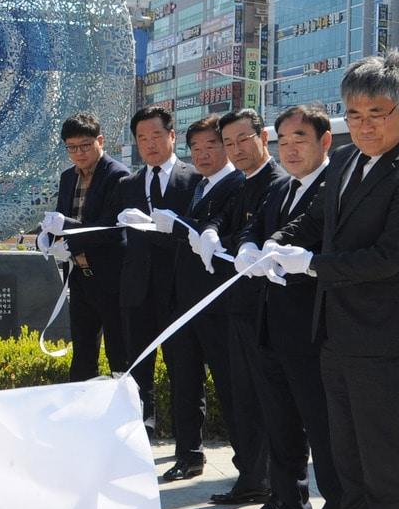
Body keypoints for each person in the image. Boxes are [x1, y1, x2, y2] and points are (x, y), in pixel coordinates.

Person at [267, 50, 399, 509]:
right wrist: (276, 243)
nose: (365, 126)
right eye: (355, 115)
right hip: (336, 331)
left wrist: (312, 265)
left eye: (377, 114)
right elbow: (316, 219)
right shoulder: (344, 161)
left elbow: (388, 257)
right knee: (346, 452)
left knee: (383, 454)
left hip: (387, 338)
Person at [235, 105, 345, 509]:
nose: (291, 149)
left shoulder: (334, 185)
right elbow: (254, 227)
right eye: (283, 141)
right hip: (271, 326)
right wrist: (246, 247)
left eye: (300, 139)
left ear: (325, 141)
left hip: (314, 331)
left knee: (323, 432)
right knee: (281, 428)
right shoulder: (281, 187)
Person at [195, 109, 286, 508]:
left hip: (266, 310)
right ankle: (251, 477)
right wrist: (211, 231)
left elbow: (260, 233)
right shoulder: (244, 183)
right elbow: (225, 218)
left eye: (242, 140)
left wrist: (233, 240)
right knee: (241, 397)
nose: (236, 149)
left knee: (269, 403)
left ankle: (276, 487)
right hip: (239, 307)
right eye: (229, 142)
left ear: (263, 137)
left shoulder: (277, 182)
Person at [110, 106, 202, 471]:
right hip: (138, 293)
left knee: (185, 375)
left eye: (156, 136)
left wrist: (155, 225)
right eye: (142, 138)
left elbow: (195, 234)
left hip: (180, 293)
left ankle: (189, 454)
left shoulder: (193, 179)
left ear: (172, 136)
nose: (149, 144)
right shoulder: (128, 185)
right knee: (138, 377)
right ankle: (140, 449)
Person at [156, 115, 244, 482]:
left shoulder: (237, 184)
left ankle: (251, 469)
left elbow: (223, 237)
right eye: (196, 148)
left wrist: (178, 225)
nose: (203, 154)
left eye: (211, 145)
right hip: (186, 303)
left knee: (230, 386)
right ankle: (188, 455)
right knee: (184, 382)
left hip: (219, 306)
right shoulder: (200, 184)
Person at [38, 111, 130, 381]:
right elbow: (60, 219)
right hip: (79, 277)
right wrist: (48, 239)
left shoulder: (118, 175)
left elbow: (110, 227)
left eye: (85, 145)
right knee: (82, 354)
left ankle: (124, 405)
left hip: (112, 279)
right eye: (72, 147)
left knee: (119, 354)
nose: (79, 153)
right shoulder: (68, 177)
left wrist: (68, 238)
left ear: (100, 141)